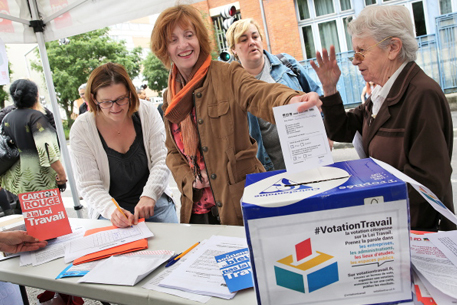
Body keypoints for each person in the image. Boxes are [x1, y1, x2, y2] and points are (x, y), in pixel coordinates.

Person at [150, 5, 319, 225]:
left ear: (199, 38)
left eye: (188, 35)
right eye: (173, 40)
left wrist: (291, 100)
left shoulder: (227, 74)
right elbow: (172, 152)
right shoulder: (169, 96)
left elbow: (260, 93)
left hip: (238, 205)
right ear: (165, 48)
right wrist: (190, 179)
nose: (183, 44)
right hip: (197, 211)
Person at [308, 5, 454, 231]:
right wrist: (329, 89)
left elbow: (427, 185)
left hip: (417, 231)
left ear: (393, 48)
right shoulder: (382, 92)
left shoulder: (422, 94)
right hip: (393, 225)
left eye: (361, 51)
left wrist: (364, 198)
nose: (355, 61)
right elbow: (342, 130)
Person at [70, 62, 178, 228]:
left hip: (154, 202)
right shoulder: (82, 128)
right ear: (93, 98)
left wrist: (149, 194)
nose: (115, 108)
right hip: (109, 210)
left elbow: (162, 160)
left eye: (121, 99)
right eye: (106, 102)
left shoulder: (147, 112)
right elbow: (89, 184)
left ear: (130, 93)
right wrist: (111, 210)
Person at [225, 18, 323, 171]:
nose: (251, 42)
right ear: (233, 49)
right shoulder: (231, 85)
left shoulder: (286, 63)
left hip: (309, 158)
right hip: (269, 169)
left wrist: (326, 134)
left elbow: (316, 95)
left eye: (255, 37)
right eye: (243, 40)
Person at [1, 79, 67, 195]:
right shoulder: (36, 117)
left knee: (30, 212)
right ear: (35, 95)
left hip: (20, 181)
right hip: (40, 180)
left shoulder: (7, 118)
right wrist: (61, 174)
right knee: (48, 212)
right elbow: (47, 150)